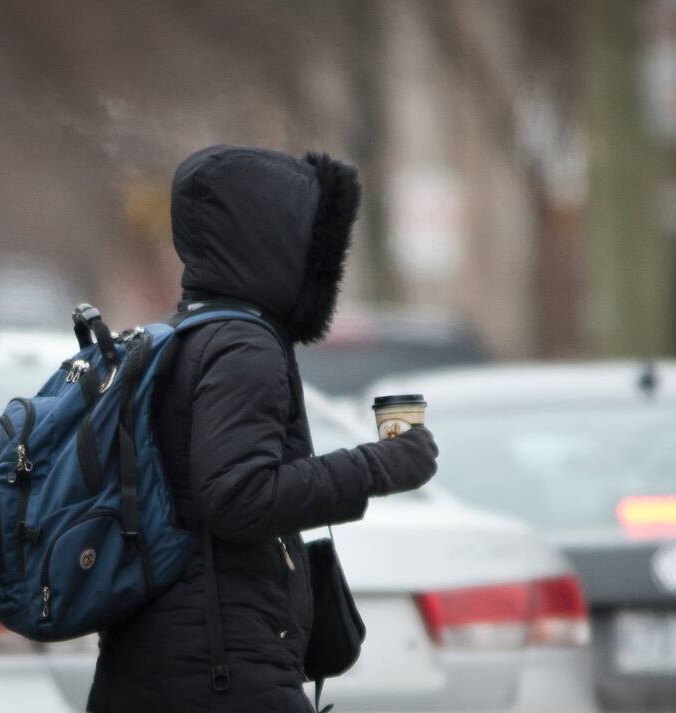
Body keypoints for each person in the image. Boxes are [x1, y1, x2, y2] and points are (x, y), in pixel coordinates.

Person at [86, 146, 440, 713]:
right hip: (219, 673)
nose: (318, 262)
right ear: (267, 238)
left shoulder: (184, 335)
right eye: (307, 238)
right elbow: (237, 497)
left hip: (167, 665)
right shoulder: (242, 348)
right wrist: (379, 465)